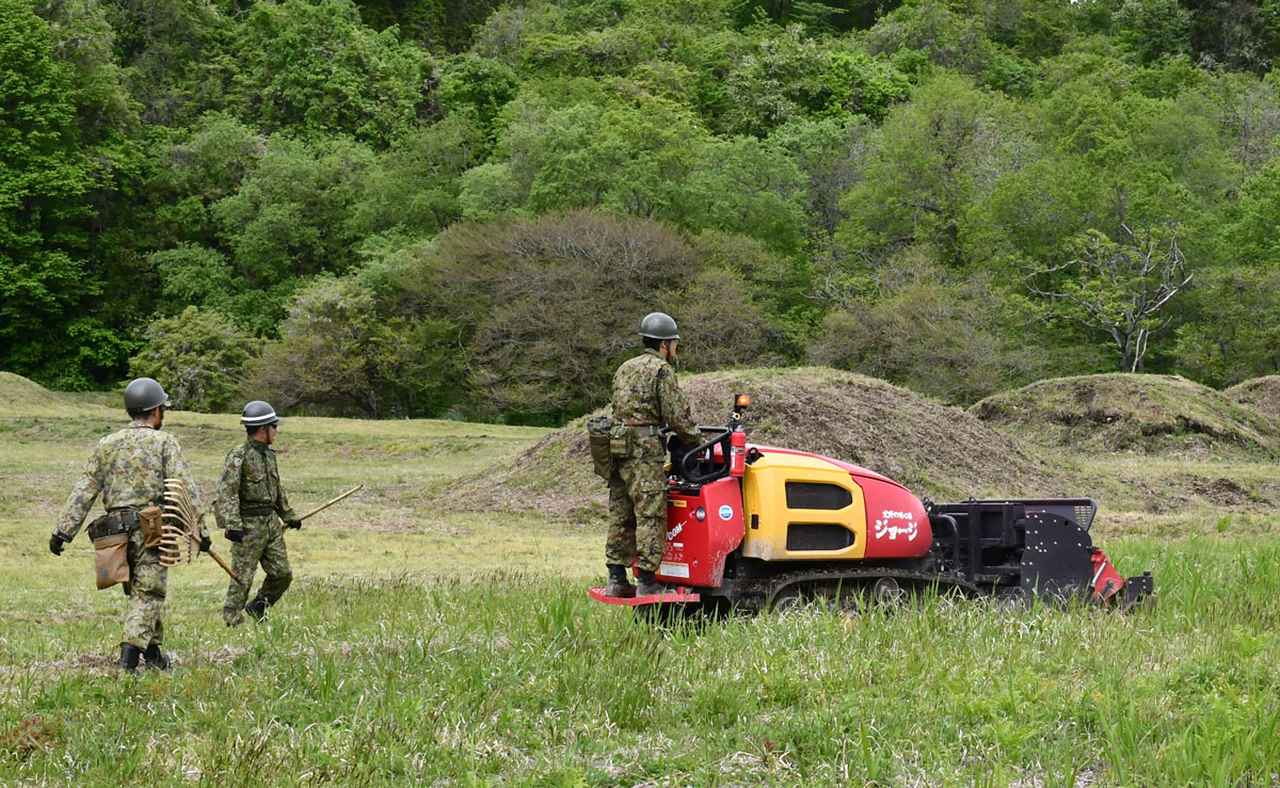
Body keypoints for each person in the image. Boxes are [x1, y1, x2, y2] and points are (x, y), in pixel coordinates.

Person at [49, 377, 210, 673]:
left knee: (139, 591)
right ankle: (128, 662)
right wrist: (202, 531)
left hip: (115, 534)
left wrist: (63, 531)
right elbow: (184, 488)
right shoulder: (165, 442)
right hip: (152, 531)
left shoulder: (107, 444)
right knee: (148, 593)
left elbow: (85, 488)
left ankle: (154, 656)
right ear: (156, 410)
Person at [604, 312, 702, 597]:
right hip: (644, 452)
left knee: (620, 511)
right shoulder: (661, 370)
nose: (675, 349)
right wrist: (697, 440)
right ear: (665, 345)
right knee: (650, 513)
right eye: (674, 344)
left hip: (617, 447)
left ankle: (616, 579)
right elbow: (676, 416)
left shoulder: (624, 367)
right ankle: (647, 581)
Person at [216, 400, 301, 625]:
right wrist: (232, 524)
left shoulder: (270, 456)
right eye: (274, 426)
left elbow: (277, 489)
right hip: (247, 525)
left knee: (283, 574)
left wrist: (289, 515)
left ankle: (258, 606)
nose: (277, 430)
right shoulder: (238, 455)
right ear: (263, 429)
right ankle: (232, 620)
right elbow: (227, 491)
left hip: (270, 523)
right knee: (242, 577)